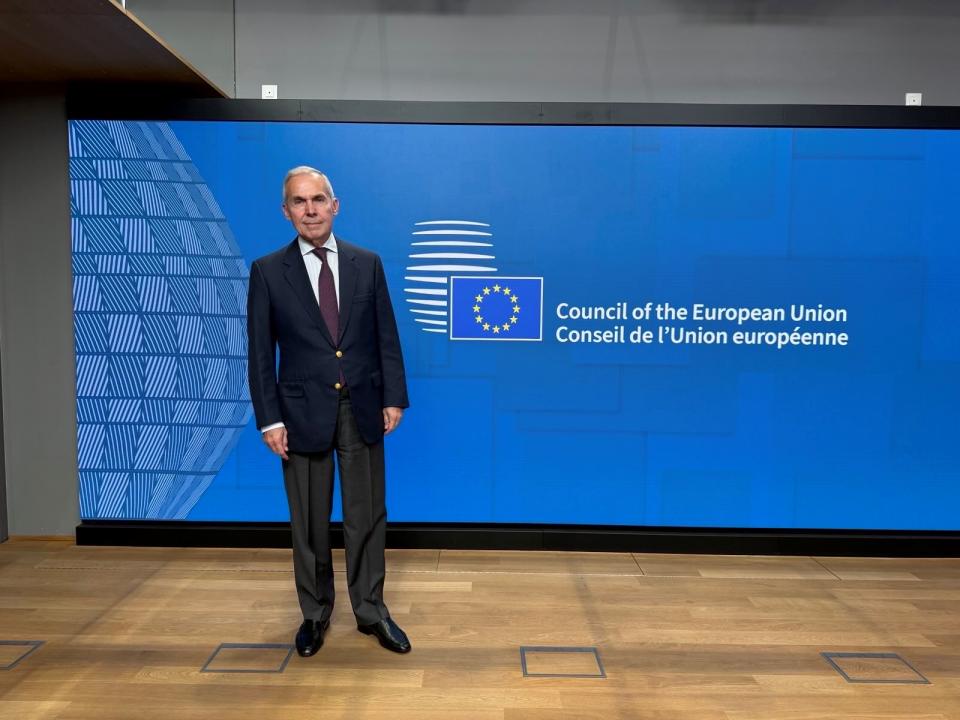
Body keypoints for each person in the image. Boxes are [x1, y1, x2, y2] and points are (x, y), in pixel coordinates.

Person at [246, 166, 411, 656]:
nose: (310, 210)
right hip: (299, 415)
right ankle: (315, 614)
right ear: (286, 212)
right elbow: (260, 355)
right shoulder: (267, 271)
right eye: (299, 202)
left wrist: (393, 396)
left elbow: (386, 336)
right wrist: (270, 419)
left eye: (318, 199)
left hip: (363, 407)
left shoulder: (368, 263)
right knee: (309, 522)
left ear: (335, 206)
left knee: (367, 515)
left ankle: (371, 611)